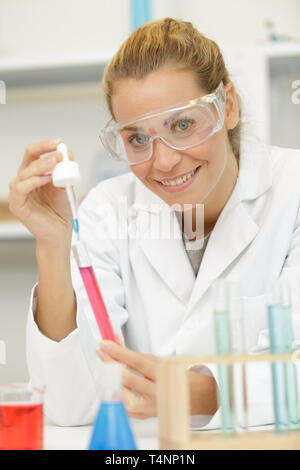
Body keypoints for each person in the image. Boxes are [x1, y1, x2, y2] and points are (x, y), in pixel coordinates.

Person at [8, 18, 300, 428]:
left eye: (182, 124)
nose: (162, 162)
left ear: (227, 107)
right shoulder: (108, 209)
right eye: (137, 139)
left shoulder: (293, 193)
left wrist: (199, 393)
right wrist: (52, 246)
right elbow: (69, 405)